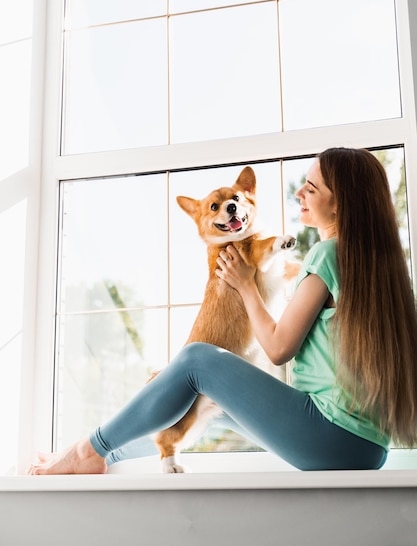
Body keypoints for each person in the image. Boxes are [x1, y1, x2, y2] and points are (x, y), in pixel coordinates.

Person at [28, 147, 417, 475]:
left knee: (197, 359)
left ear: (341, 203)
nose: (300, 191)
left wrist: (246, 285)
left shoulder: (329, 253)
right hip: (364, 448)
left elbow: (280, 347)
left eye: (311, 187)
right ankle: (105, 455)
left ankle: (87, 452)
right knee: (203, 400)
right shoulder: (372, 265)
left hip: (330, 437)